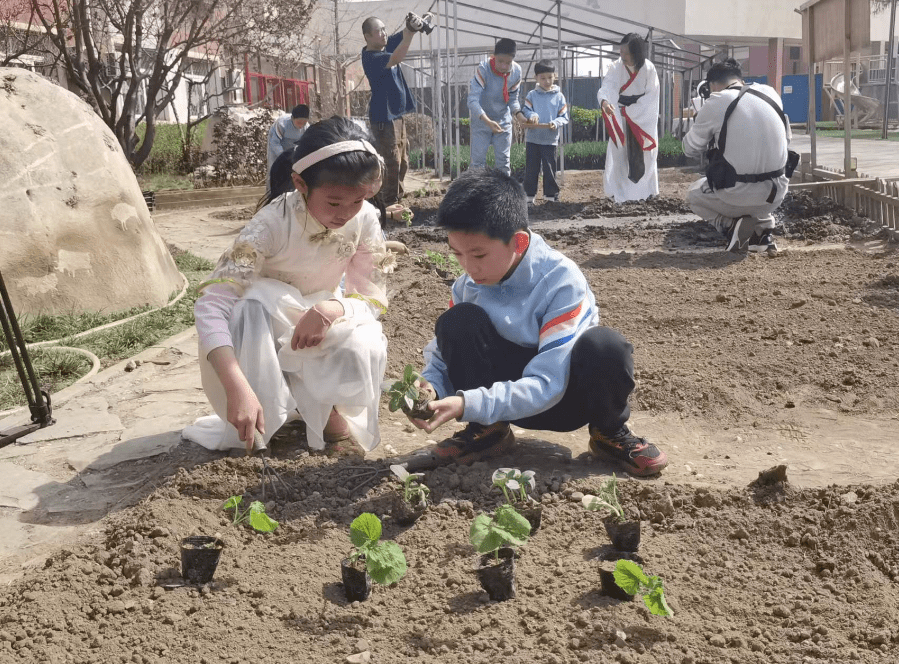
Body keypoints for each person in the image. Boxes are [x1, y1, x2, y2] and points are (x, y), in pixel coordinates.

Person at [406, 168, 668, 477]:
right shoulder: (468, 285)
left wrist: (468, 403)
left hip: (565, 401)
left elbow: (549, 384)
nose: (468, 267)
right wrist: (430, 388)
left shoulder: (560, 281)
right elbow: (441, 355)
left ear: (517, 242)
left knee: (605, 346)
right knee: (457, 322)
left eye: (478, 254)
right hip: (498, 402)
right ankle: (488, 432)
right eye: (458, 254)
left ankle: (608, 432)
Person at [184, 117, 395, 457]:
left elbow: (371, 295)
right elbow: (212, 305)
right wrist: (236, 384)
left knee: (365, 339)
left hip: (320, 320)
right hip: (268, 324)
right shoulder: (269, 225)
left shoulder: (365, 218)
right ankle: (263, 411)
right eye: (334, 202)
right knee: (251, 304)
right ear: (300, 183)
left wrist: (334, 308)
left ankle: (330, 412)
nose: (346, 214)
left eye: (357, 201)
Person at [682, 58, 794, 254]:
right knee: (756, 174)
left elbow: (689, 148)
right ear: (739, 79)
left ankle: (731, 226)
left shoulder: (717, 101)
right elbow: (787, 139)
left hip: (737, 195)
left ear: (712, 85)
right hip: (775, 195)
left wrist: (702, 120)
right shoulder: (770, 93)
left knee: (694, 194)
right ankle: (762, 231)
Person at [361, 12, 431, 207]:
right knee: (390, 162)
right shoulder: (371, 57)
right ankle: (386, 204)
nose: (384, 34)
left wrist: (413, 26)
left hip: (396, 116)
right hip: (384, 117)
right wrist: (410, 35)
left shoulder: (383, 45)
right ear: (367, 36)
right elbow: (397, 56)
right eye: (378, 31)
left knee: (403, 160)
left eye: (384, 29)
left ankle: (396, 198)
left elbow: (401, 36)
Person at [597, 33, 660, 203]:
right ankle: (621, 195)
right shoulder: (616, 67)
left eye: (627, 53)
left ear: (637, 53)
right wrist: (605, 101)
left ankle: (646, 192)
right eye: (621, 52)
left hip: (641, 119)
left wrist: (632, 112)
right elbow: (608, 86)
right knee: (620, 155)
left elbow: (651, 97)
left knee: (646, 155)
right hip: (619, 114)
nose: (622, 56)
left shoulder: (649, 69)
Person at [467, 38, 524, 177]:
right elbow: (472, 100)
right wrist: (487, 121)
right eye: (500, 61)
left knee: (503, 164)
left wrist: (519, 115)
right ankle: (476, 196)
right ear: (493, 56)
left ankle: (502, 196)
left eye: (508, 62)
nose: (504, 66)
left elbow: (513, 99)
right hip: (481, 121)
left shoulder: (516, 72)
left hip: (503, 121)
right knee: (477, 163)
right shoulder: (484, 69)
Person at [520, 59, 569, 205]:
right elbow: (526, 109)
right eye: (543, 78)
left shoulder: (559, 96)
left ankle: (550, 196)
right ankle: (529, 197)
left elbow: (564, 116)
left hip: (550, 140)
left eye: (550, 77)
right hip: (533, 139)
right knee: (531, 169)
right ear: (536, 78)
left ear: (555, 76)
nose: (547, 81)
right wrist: (532, 115)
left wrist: (555, 123)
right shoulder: (532, 95)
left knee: (549, 169)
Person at [266, 104, 310, 176]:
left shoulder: (307, 128)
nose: (301, 126)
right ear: (292, 118)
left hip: (294, 145)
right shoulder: (282, 123)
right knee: (275, 170)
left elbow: (305, 145)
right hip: (277, 144)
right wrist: (284, 157)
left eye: (304, 123)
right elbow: (275, 143)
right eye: (299, 122)